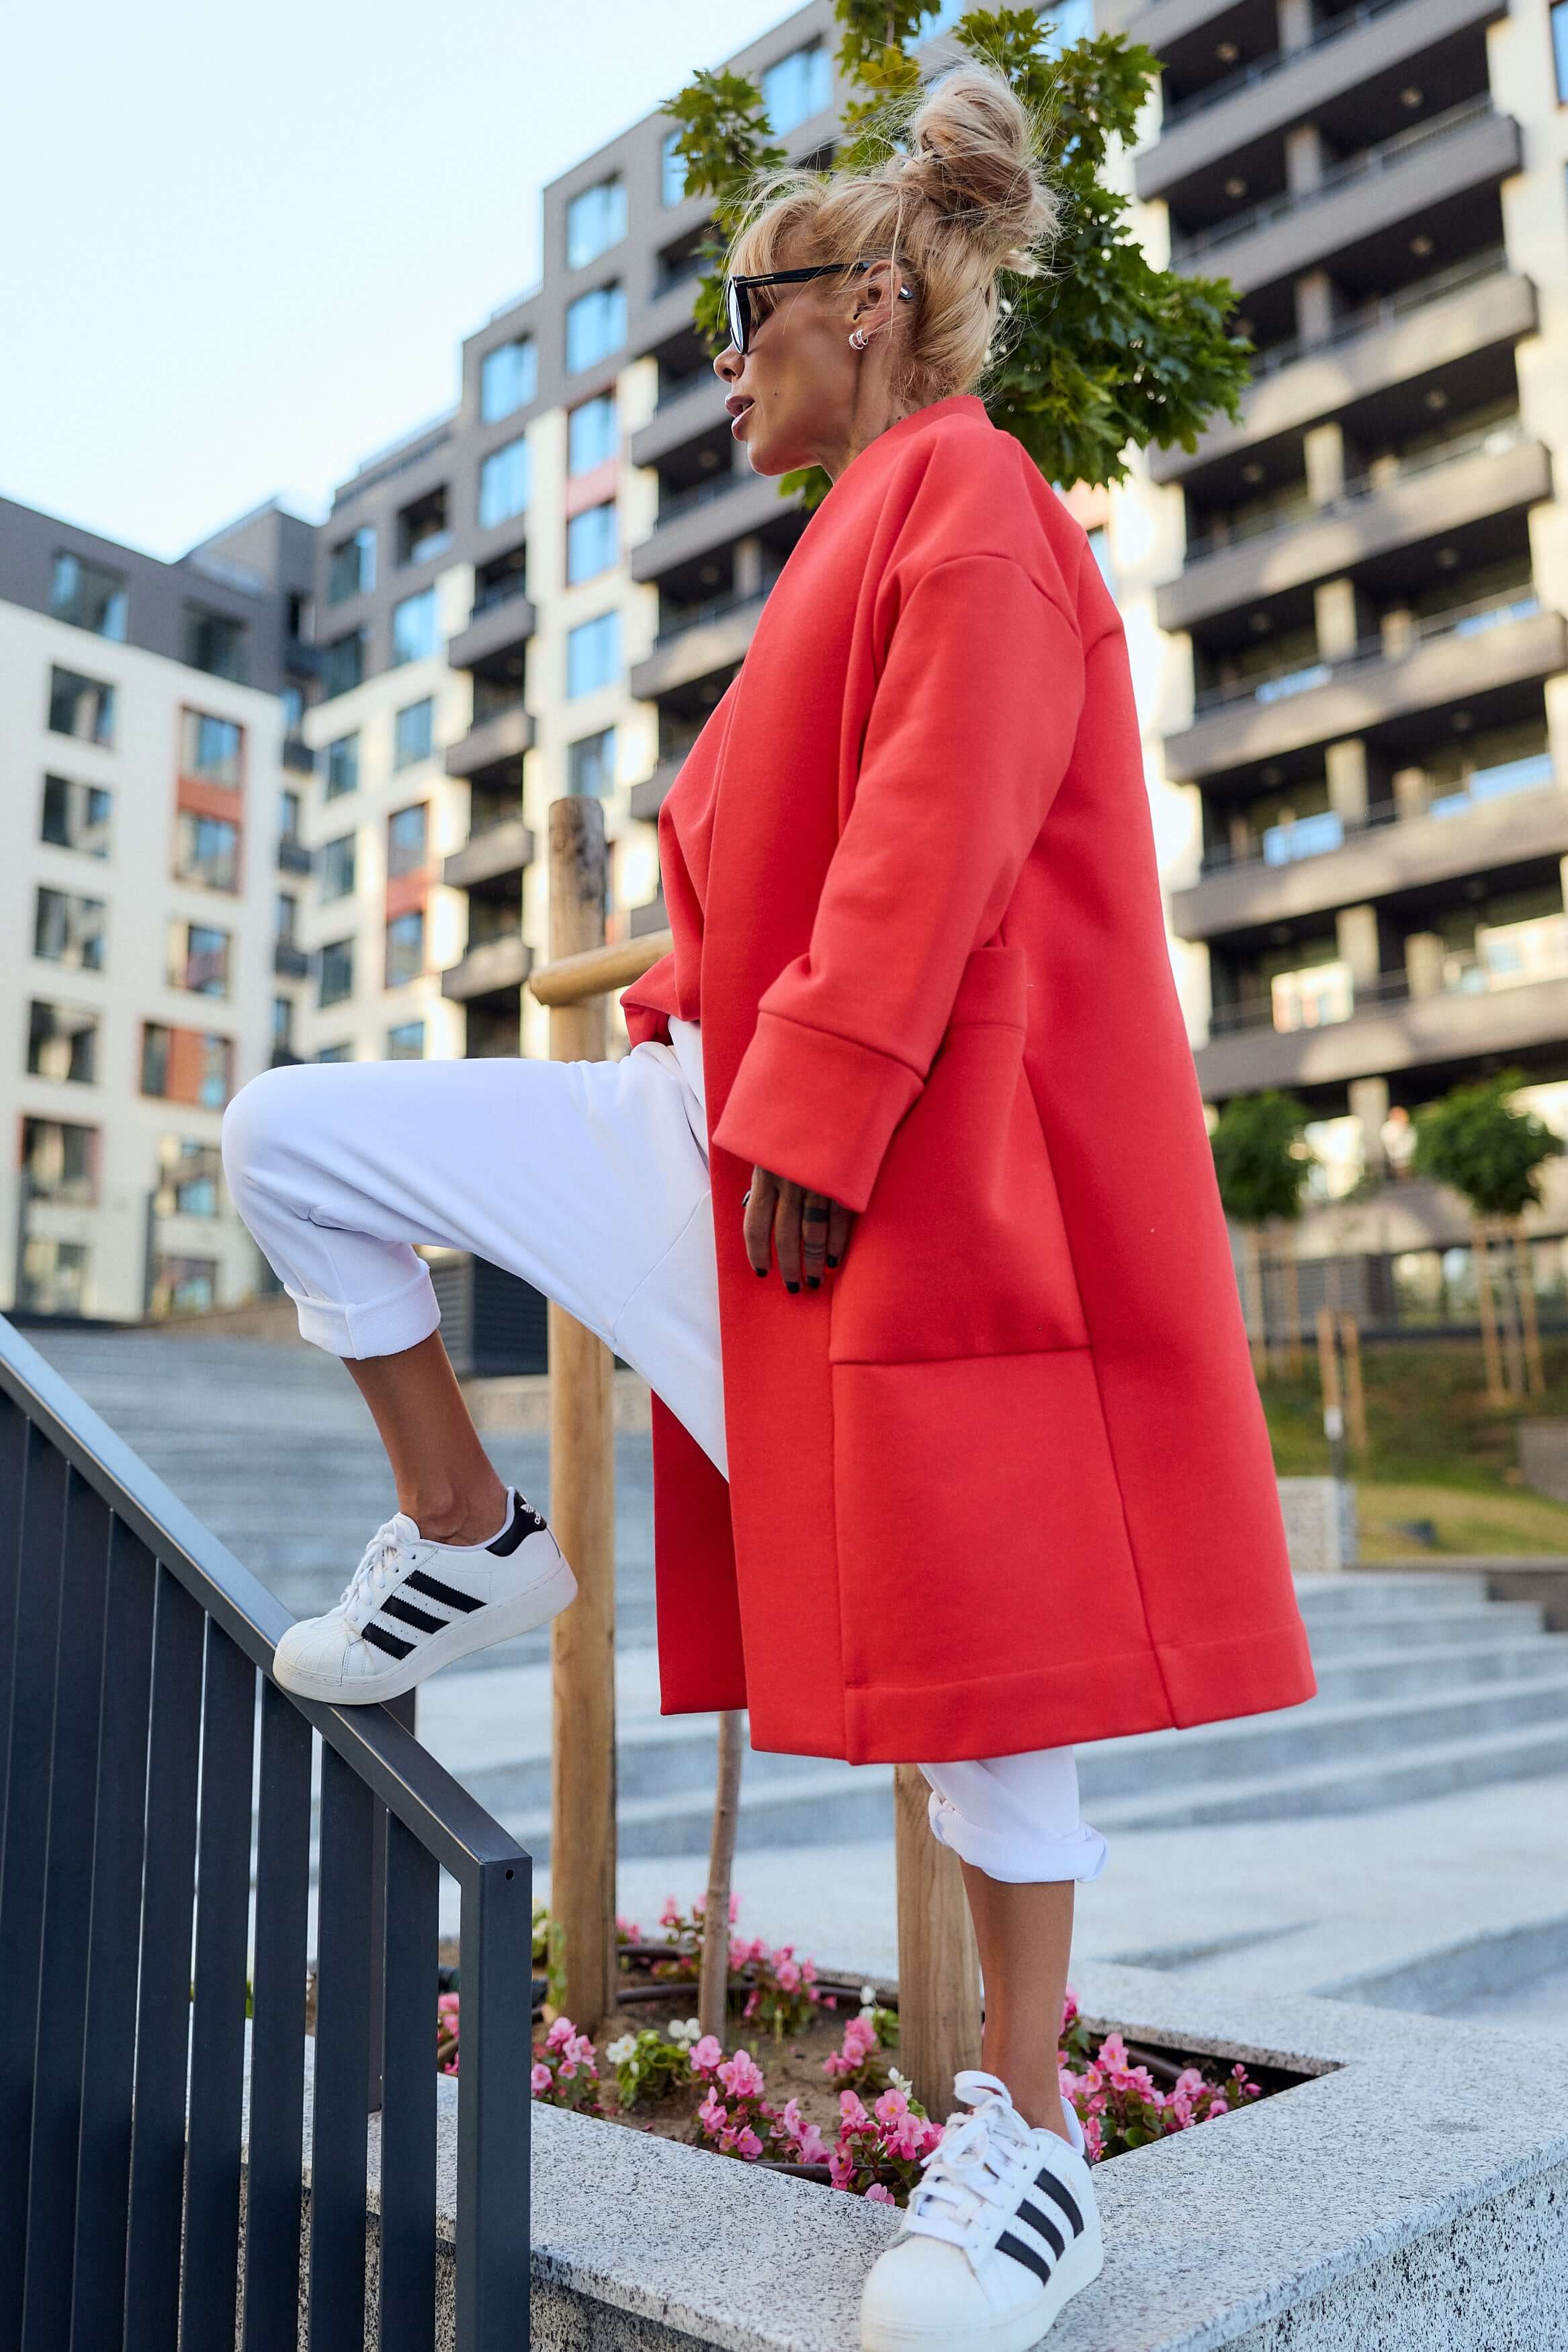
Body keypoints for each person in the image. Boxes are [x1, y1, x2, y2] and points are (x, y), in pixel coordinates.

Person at [222, 64, 1315, 2352]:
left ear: (876, 294)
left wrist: (810, 1117)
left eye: (750, 310)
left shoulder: (979, 495)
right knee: (296, 1141)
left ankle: (1027, 2146)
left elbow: (937, 822)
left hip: (850, 1161)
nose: (725, 359)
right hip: (689, 1131)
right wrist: (717, 1066)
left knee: (993, 1684)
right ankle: (468, 1531)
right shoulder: (858, 525)